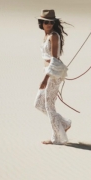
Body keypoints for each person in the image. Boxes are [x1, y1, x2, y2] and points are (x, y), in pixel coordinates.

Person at [34, 9, 71, 145]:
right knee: (38, 104)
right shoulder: (47, 35)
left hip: (53, 73)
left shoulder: (54, 36)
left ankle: (57, 138)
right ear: (41, 23)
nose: (49, 24)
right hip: (48, 71)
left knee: (49, 106)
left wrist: (45, 78)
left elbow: (54, 59)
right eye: (46, 22)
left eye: (51, 22)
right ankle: (64, 123)